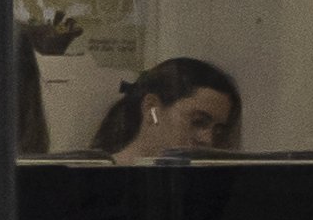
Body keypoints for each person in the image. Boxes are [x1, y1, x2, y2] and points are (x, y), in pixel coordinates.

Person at [94, 56, 243, 162]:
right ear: (151, 109)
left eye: (218, 131)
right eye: (198, 122)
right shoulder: (98, 179)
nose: (208, 140)